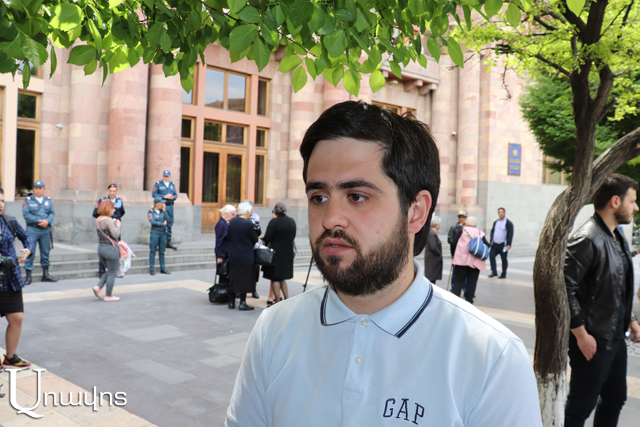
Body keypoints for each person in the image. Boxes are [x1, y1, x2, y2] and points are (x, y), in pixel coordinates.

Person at [226, 101, 542, 426]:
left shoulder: (492, 359)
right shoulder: (274, 330)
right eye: (318, 197)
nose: (331, 218)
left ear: (416, 212)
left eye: (357, 196)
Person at [564, 174, 640, 426]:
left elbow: (618, 286)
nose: (636, 207)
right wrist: (581, 335)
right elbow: (565, 288)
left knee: (615, 398)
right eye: (632, 201)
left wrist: (631, 319)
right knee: (579, 408)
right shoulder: (587, 237)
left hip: (615, 338)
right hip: (593, 340)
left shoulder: (617, 236)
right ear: (615, 201)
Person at [0, 188, 33, 370]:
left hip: (10, 278)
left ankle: (10, 357)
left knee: (17, 317)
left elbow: (26, 237)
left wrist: (28, 249)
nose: (0, 204)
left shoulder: (8, 221)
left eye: (2, 200)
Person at [22, 180, 58, 284]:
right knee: (30, 252)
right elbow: (26, 215)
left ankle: (46, 275)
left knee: (45, 252)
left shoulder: (48, 200)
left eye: (40, 188)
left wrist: (48, 221)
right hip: (32, 229)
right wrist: (39, 221)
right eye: (36, 188)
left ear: (44, 189)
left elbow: (52, 213)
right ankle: (28, 277)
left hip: (45, 230)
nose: (38, 190)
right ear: (34, 189)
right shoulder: (28, 200)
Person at [262, 202, 296, 305]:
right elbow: (293, 236)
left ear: (275, 212)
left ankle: (277, 301)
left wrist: (263, 238)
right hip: (287, 254)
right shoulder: (291, 221)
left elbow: (268, 238)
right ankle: (287, 298)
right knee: (282, 278)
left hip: (275, 254)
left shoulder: (274, 222)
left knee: (275, 278)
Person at [227, 201, 259, 311]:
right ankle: (242, 303)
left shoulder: (233, 221)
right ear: (246, 211)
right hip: (246, 257)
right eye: (250, 211)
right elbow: (254, 239)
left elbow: (229, 236)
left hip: (234, 255)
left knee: (233, 278)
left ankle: (231, 302)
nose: (251, 213)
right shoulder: (248, 224)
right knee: (244, 280)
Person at [451, 216, 489, 304]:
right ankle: (469, 300)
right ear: (475, 224)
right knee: (472, 282)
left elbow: (453, 243)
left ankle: (455, 300)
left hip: (461, 260)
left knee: (458, 281)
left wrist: (453, 254)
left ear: (467, 223)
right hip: (474, 262)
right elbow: (487, 244)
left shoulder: (461, 230)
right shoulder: (479, 233)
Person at [92, 184, 126, 278]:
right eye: (111, 191)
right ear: (108, 191)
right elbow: (95, 213)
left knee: (116, 249)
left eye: (114, 191)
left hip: (115, 226)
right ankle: (102, 272)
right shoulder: (102, 200)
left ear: (117, 191)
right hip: (105, 227)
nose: (112, 193)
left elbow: (122, 212)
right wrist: (104, 220)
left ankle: (115, 270)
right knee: (105, 248)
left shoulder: (119, 201)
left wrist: (115, 220)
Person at [92, 200, 122, 302]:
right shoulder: (108, 220)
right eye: (112, 208)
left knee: (110, 270)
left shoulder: (97, 220)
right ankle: (108, 295)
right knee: (112, 272)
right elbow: (115, 234)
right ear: (108, 208)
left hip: (101, 249)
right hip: (110, 249)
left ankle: (98, 287)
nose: (114, 210)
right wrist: (118, 226)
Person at [152, 170, 178, 250]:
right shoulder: (158, 184)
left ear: (170, 176)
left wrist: (173, 197)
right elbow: (154, 194)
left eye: (167, 176)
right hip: (162, 206)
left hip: (170, 206)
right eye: (164, 176)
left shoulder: (172, 184)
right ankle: (160, 243)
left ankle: (168, 241)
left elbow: (175, 195)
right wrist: (164, 196)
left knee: (169, 223)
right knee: (161, 223)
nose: (166, 177)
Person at [242, 199, 261, 299]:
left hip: (253, 247)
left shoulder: (256, 218)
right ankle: (240, 291)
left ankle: (253, 289)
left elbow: (258, 232)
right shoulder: (241, 218)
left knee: (255, 270)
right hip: (243, 247)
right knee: (243, 271)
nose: (252, 210)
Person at [488, 207, 514, 279]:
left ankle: (503, 273)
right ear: (498, 213)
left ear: (504, 213)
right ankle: (494, 272)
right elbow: (492, 232)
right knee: (491, 256)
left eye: (502, 212)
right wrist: (491, 241)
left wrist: (509, 243)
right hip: (495, 244)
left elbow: (510, 233)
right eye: (499, 212)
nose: (501, 214)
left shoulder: (508, 223)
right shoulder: (496, 222)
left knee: (504, 259)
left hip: (503, 245)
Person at [148, 197, 170, 276]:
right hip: (155, 232)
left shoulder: (162, 211)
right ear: (157, 204)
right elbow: (153, 222)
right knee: (153, 250)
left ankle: (163, 268)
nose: (163, 204)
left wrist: (164, 211)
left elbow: (168, 219)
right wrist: (162, 224)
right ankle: (152, 268)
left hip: (163, 233)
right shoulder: (151, 212)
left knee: (162, 251)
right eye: (161, 203)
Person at [215, 205, 236, 285]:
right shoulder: (221, 224)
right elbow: (219, 241)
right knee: (223, 275)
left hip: (227, 253)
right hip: (223, 254)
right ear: (226, 214)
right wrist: (219, 256)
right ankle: (222, 291)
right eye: (232, 214)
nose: (234, 216)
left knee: (226, 275)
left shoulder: (226, 223)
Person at [423, 215, 443, 284]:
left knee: (432, 278)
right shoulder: (432, 234)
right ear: (437, 225)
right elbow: (433, 246)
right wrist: (439, 253)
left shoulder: (432, 233)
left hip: (432, 260)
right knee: (431, 279)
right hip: (432, 260)